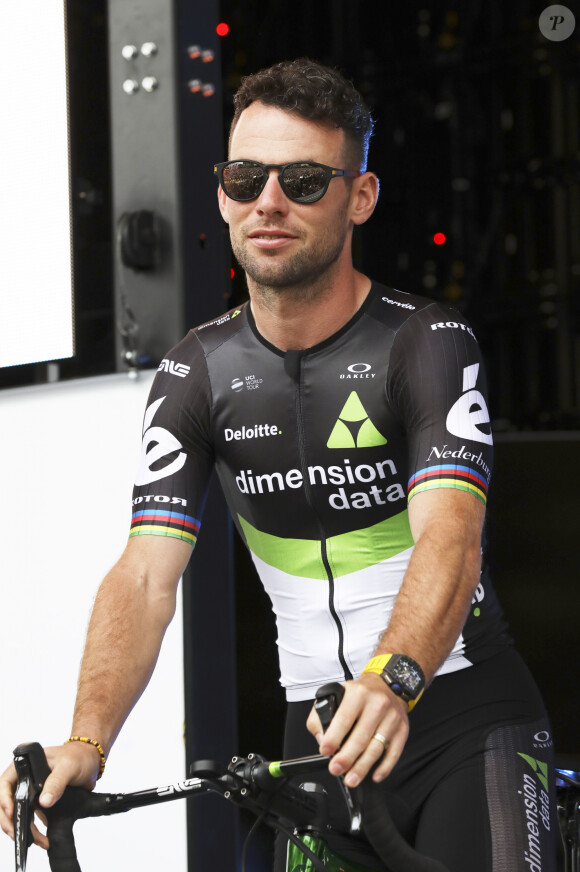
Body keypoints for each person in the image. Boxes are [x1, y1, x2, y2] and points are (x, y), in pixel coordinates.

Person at [1, 58, 557, 871]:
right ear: (222, 191)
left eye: (302, 180)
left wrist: (393, 678)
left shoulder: (424, 342)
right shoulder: (197, 371)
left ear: (358, 197)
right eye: (244, 177)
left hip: (460, 720)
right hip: (315, 749)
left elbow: (451, 538)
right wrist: (89, 738)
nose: (268, 202)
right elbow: (146, 576)